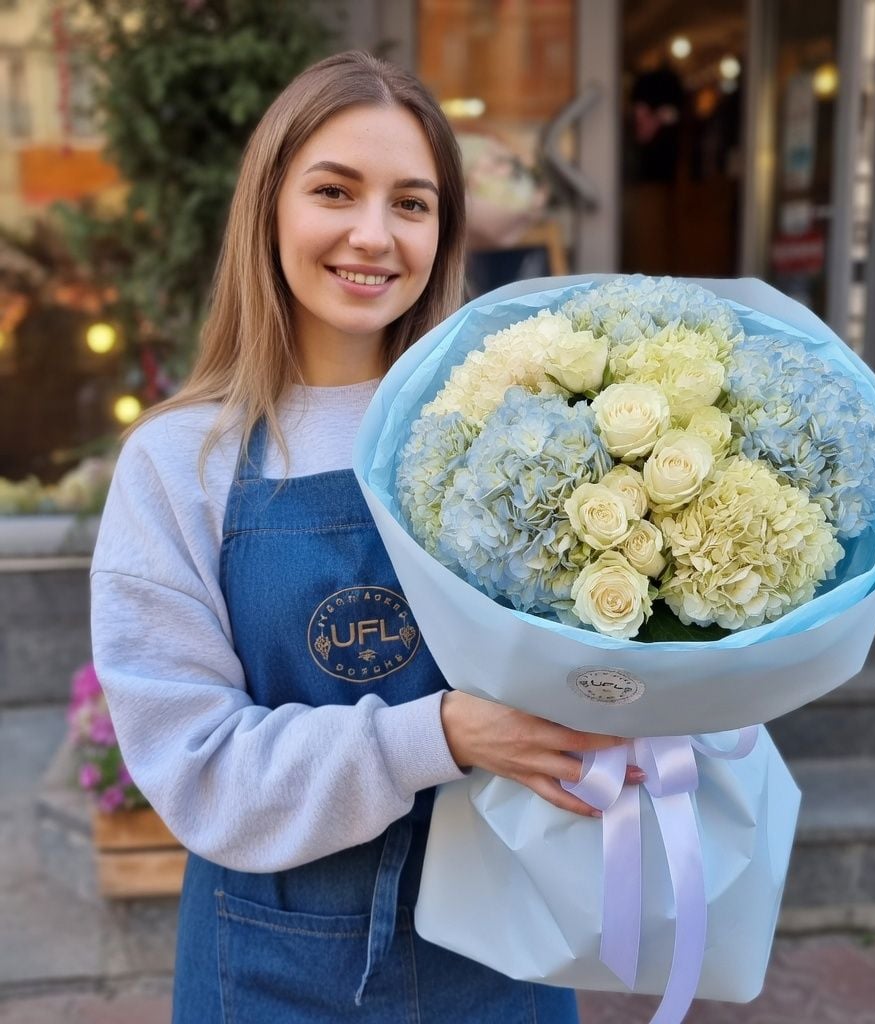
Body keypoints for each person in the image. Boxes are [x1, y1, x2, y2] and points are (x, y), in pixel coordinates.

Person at [90, 51, 640, 1023]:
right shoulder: (181, 462)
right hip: (265, 965)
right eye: (334, 191)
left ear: (444, 229)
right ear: (269, 207)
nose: (373, 235)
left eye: (413, 203)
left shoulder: (515, 431)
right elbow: (195, 763)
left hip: (503, 952)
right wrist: (440, 732)